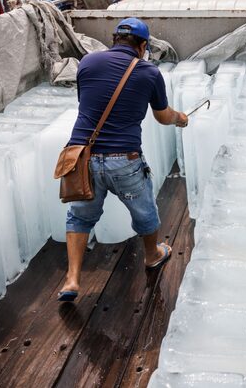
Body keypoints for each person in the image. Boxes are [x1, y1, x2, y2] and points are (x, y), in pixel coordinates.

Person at [59, 18, 189, 301]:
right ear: (142, 46)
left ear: (114, 39)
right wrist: (181, 119)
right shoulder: (149, 73)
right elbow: (162, 115)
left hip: (82, 158)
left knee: (80, 217)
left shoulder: (87, 63)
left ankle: (71, 279)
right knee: (145, 211)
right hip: (124, 160)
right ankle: (153, 255)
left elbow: (87, 104)